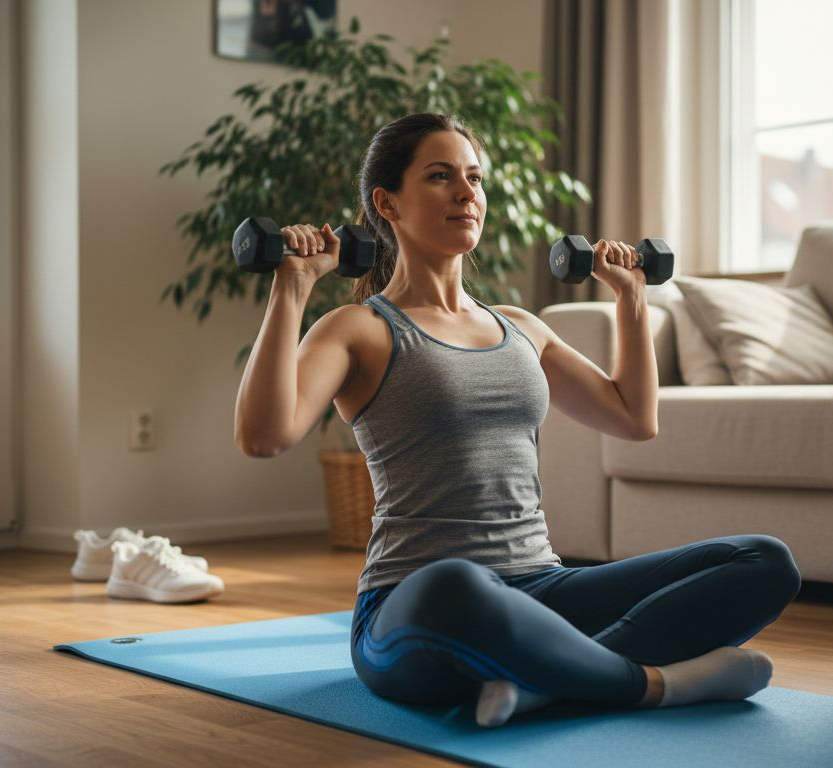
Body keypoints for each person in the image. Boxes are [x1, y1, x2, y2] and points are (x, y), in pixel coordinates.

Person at [234, 112, 802, 727]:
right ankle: (654, 685)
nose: (466, 193)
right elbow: (264, 437)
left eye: (475, 179)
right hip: (415, 603)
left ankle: (542, 682)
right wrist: (289, 288)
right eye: (440, 176)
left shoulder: (521, 327)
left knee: (763, 562)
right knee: (456, 584)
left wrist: (632, 297)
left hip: (542, 588)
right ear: (387, 203)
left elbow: (634, 417)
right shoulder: (360, 329)